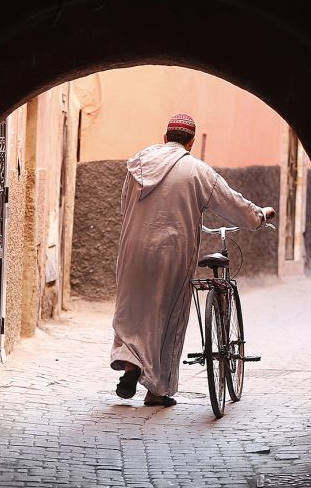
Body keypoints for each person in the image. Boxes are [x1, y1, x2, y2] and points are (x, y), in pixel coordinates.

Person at [111, 114, 276, 406]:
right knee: (168, 314)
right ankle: (157, 390)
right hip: (172, 253)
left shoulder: (138, 165)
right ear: (191, 142)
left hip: (133, 248)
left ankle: (131, 364)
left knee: (133, 309)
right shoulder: (197, 171)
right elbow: (232, 204)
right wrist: (259, 216)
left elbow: (125, 205)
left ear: (164, 137)